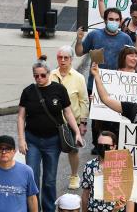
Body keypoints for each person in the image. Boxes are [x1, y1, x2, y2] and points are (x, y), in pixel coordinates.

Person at [18, 59, 83, 212]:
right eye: (36, 76)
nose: (39, 79)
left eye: (42, 75)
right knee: (32, 178)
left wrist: (78, 133)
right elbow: (21, 116)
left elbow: (68, 112)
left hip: (53, 141)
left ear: (49, 74)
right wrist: (21, 139)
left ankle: (48, 209)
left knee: (49, 180)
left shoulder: (59, 89)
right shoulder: (28, 91)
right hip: (32, 140)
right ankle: (33, 209)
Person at [50, 47, 88, 190]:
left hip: (72, 122)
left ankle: (74, 175)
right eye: (60, 57)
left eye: (66, 58)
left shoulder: (79, 78)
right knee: (52, 150)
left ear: (72, 59)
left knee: (73, 150)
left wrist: (83, 123)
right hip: (53, 122)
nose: (63, 60)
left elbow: (84, 101)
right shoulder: (50, 75)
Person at [80, 130, 132, 212]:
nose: (103, 148)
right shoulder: (89, 166)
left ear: (114, 147)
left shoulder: (123, 166)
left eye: (106, 146)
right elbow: (85, 194)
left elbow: (130, 197)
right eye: (100, 145)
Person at [0, 134, 39, 212]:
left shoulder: (26, 171)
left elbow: (31, 198)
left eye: (8, 149)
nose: (4, 152)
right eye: (0, 149)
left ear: (14, 151)